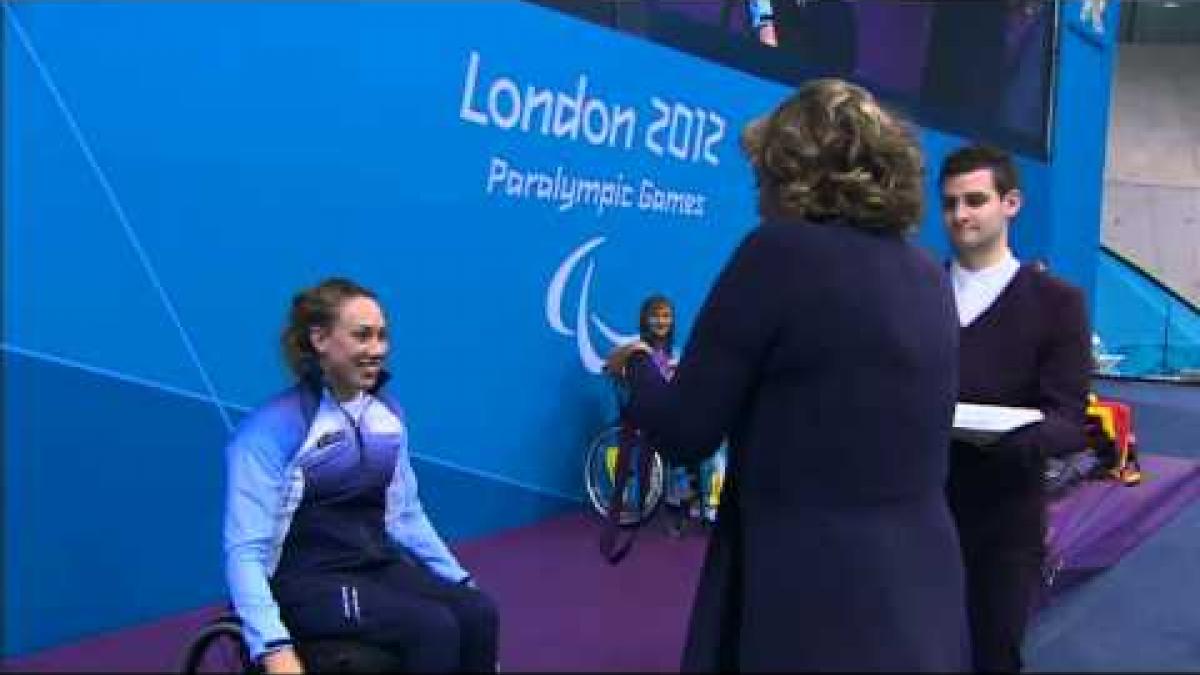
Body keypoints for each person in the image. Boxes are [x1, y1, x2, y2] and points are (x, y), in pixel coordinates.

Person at [607, 78, 969, 672]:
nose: (757, 197)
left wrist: (640, 366)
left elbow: (685, 432)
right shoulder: (929, 275)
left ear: (793, 175)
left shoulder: (777, 254)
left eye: (763, 177)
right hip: (924, 586)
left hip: (812, 593)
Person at [223, 278, 499, 673]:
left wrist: (461, 580)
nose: (377, 350)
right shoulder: (271, 430)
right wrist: (272, 647)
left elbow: (404, 516)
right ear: (320, 339)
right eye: (362, 336)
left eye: (382, 336)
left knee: (478, 611)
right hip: (302, 582)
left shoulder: (386, 416)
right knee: (431, 627)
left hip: (372, 567)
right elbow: (245, 551)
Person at [939, 144, 1091, 672]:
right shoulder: (917, 292)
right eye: (950, 203)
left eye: (975, 200)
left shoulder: (1057, 303)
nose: (960, 215)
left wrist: (1012, 437)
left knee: (992, 657)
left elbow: (1072, 420)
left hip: (1004, 521)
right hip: (918, 513)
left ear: (1012, 203)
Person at [632, 294, 727, 535]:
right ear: (645, 319)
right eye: (655, 316)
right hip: (653, 419)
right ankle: (681, 500)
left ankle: (710, 509)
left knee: (715, 444)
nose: (661, 321)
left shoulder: (676, 352)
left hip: (679, 415)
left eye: (666, 316)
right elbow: (628, 380)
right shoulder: (638, 350)